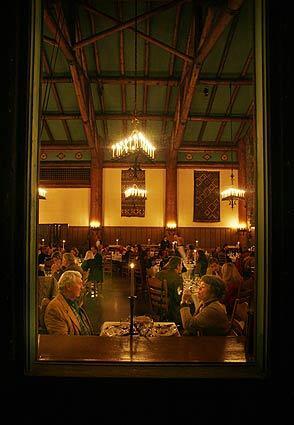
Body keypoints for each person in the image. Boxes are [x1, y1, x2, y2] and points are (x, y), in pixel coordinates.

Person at [44, 271, 93, 335]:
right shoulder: (55, 309)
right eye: (79, 284)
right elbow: (63, 341)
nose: (82, 287)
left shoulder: (73, 302)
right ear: (68, 287)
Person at [156, 256, 183, 326]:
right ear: (177, 266)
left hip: (157, 303)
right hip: (171, 307)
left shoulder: (159, 273)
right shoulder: (178, 278)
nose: (182, 267)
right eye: (181, 265)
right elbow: (177, 298)